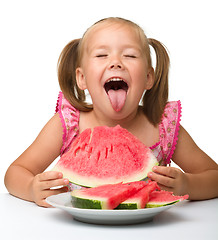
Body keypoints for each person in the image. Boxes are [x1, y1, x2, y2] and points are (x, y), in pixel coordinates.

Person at [4, 17, 218, 207]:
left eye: (130, 55)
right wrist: (31, 188)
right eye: (101, 55)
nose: (115, 62)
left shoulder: (163, 128)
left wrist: (187, 184)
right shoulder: (68, 124)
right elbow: (14, 173)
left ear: (148, 78)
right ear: (82, 78)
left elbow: (214, 177)